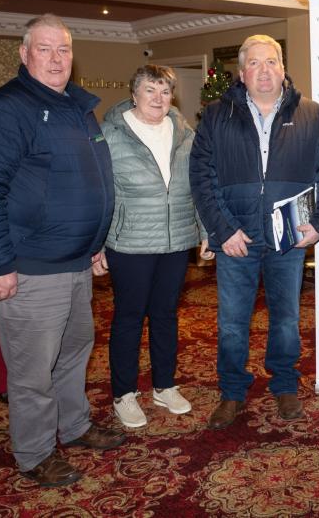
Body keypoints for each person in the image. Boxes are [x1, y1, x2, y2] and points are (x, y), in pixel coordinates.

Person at [0, 13, 125, 487]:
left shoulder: (77, 106)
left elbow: (86, 183)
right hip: (30, 269)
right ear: (24, 53)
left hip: (75, 262)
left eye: (64, 50)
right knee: (33, 371)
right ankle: (34, 454)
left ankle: (73, 428)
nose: (56, 59)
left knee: (74, 352)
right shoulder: (2, 110)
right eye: (45, 49)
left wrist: (94, 246)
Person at [190, 35, 319, 429]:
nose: (264, 70)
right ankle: (232, 392)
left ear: (282, 68)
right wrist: (223, 232)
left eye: (271, 61)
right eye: (254, 63)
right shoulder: (216, 115)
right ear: (242, 73)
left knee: (287, 319)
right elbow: (202, 178)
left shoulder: (311, 114)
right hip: (236, 239)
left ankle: (285, 385)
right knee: (233, 323)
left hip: (288, 237)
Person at [96, 65, 211, 428]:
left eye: (164, 91)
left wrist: (205, 231)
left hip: (176, 240)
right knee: (129, 317)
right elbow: (99, 193)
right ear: (134, 94)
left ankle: (164, 385)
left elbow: (199, 186)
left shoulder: (183, 131)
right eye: (150, 90)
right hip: (129, 242)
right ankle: (124, 394)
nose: (158, 98)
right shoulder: (110, 134)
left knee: (165, 315)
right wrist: (95, 244)